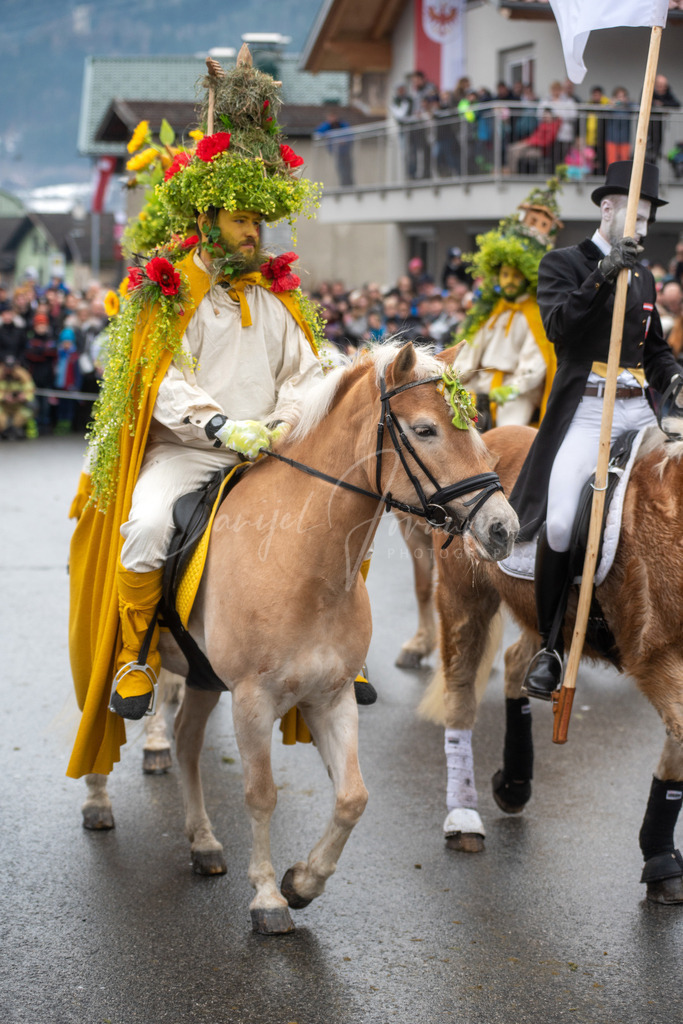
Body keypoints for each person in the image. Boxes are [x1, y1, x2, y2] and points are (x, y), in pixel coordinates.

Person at [67, 45, 327, 753]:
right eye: (242, 220)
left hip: (267, 451)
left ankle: (334, 653)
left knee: (338, 515)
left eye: (258, 223)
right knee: (147, 525)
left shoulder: (275, 297)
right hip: (189, 453)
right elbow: (162, 380)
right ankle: (135, 656)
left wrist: (282, 422)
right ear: (208, 219)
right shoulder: (168, 290)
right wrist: (219, 424)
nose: (254, 233)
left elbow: (307, 372)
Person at [508, 161, 682, 700]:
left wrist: (674, 377)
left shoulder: (646, 276)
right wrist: (604, 273)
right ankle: (550, 647)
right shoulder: (561, 263)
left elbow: (654, 351)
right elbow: (560, 328)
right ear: (607, 209)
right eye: (634, 216)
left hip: (638, 411)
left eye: (648, 220)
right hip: (585, 413)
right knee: (562, 524)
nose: (642, 229)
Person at [646, 74, 680, 163]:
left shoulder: (667, 92)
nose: (662, 88)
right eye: (660, 86)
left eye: (664, 86)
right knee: (648, 145)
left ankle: (654, 162)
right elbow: (643, 101)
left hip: (660, 123)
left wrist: (662, 104)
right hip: (648, 123)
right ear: (655, 84)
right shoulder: (648, 89)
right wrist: (655, 104)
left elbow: (676, 104)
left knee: (658, 143)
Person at [604, 86, 634, 167]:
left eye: (623, 96)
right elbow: (604, 110)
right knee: (611, 161)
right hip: (612, 138)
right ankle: (612, 175)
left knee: (625, 161)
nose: (621, 99)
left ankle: (624, 175)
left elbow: (636, 107)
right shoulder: (611, 105)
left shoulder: (628, 106)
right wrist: (611, 104)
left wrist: (627, 103)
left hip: (624, 139)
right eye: (619, 97)